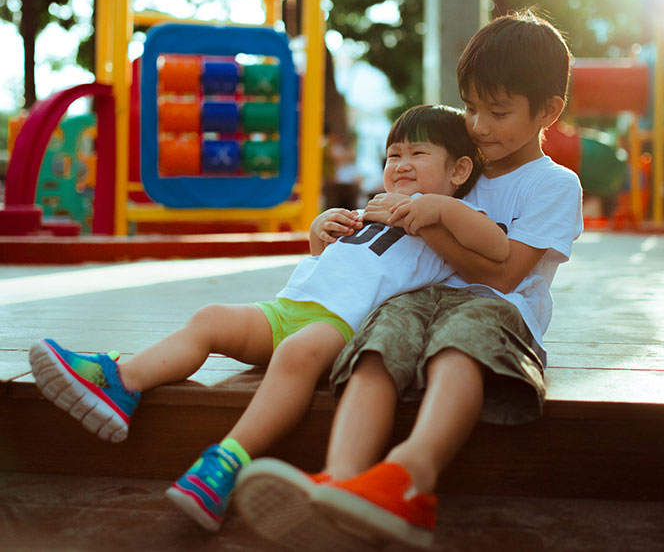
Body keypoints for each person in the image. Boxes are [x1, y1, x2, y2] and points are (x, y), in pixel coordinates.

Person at [29, 104, 509, 535]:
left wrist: (439, 207)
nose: (400, 165)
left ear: (459, 169)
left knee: (295, 354)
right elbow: (343, 262)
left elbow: (496, 246)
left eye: (417, 154)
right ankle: (123, 382)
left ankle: (225, 463)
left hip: (341, 326)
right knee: (211, 317)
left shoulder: (451, 220)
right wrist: (321, 236)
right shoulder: (374, 209)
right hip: (288, 308)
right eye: (392, 156)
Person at [232, 10, 584, 550]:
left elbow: (509, 273)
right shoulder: (458, 162)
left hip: (499, 309)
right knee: (377, 344)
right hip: (418, 297)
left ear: (549, 111)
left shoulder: (553, 184)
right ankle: (343, 481)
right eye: (470, 108)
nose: (480, 126)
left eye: (498, 111)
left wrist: (427, 214)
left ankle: (408, 478)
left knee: (457, 347)